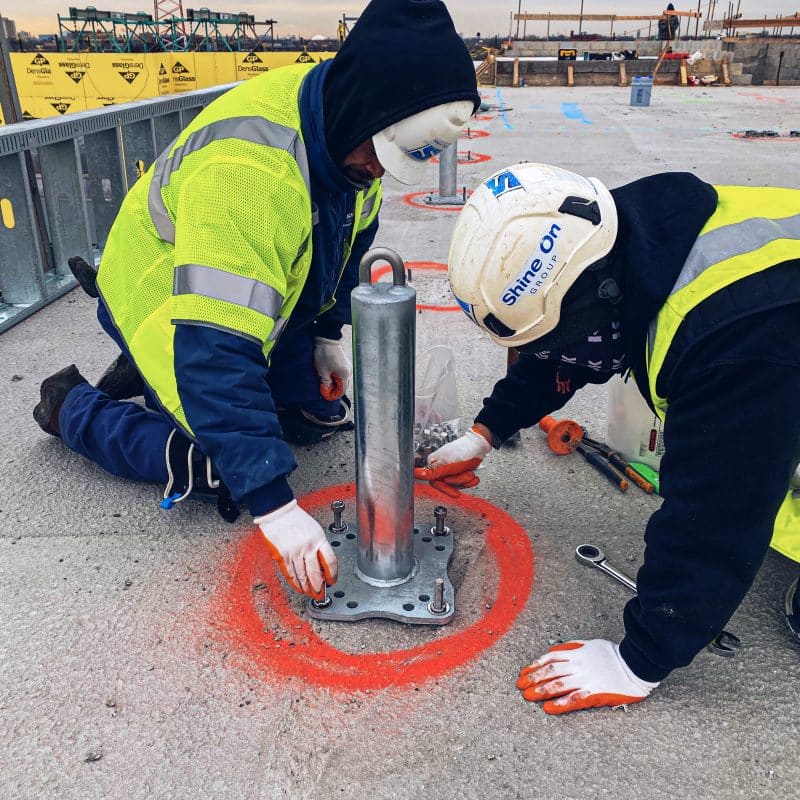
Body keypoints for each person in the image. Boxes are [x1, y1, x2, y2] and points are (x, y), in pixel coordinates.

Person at [33, 0, 480, 603]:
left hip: (245, 291)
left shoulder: (347, 139)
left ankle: (161, 382)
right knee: (229, 466)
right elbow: (215, 351)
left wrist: (326, 334)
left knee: (321, 416)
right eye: (377, 154)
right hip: (167, 297)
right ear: (362, 111)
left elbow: (351, 241)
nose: (378, 171)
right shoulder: (250, 171)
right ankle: (72, 407)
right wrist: (275, 508)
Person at [416, 162, 800, 714]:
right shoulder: (618, 236)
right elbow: (564, 350)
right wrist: (487, 430)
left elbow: (720, 511)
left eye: (560, 336)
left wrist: (639, 660)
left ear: (599, 293)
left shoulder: (733, 343)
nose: (560, 352)